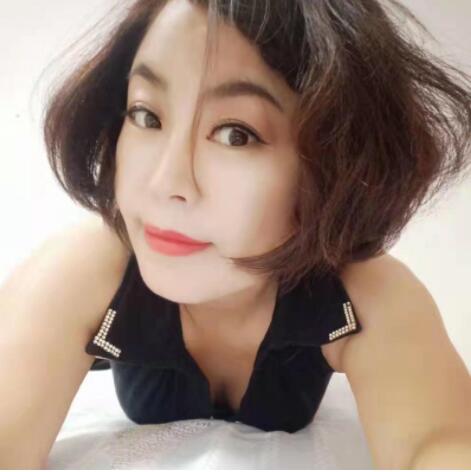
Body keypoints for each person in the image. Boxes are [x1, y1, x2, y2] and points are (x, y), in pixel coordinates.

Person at [2, 0, 471, 468]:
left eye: (235, 134)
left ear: (336, 164)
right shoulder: (88, 268)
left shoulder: (360, 292)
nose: (165, 182)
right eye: (146, 116)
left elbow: (439, 445)